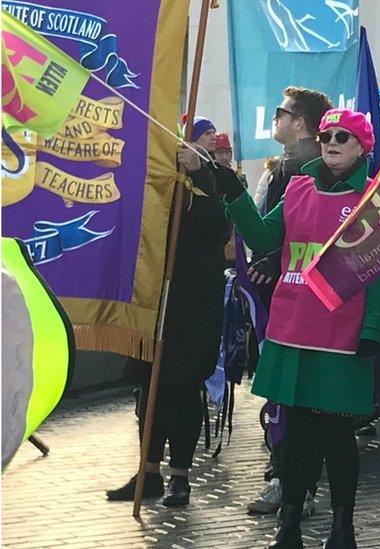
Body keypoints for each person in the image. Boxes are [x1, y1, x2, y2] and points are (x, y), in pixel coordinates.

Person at [213, 108, 380, 548]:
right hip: (293, 328)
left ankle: (342, 529)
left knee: (336, 436)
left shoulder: (374, 199)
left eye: (343, 137)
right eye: (327, 135)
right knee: (294, 437)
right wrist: (232, 189)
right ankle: (289, 526)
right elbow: (261, 237)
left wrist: (375, 325)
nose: (331, 142)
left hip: (343, 333)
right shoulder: (296, 188)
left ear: (363, 148)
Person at [106, 116, 229, 507]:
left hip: (192, 303)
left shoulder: (216, 176)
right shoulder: (152, 179)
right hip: (151, 299)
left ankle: (181, 476)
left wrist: (201, 176)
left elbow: (218, 226)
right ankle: (149, 471)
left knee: (181, 389)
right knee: (149, 388)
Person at [247, 86, 331, 518]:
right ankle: (281, 475)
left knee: (307, 399)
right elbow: (265, 229)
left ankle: (301, 484)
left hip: (308, 302)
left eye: (281, 113)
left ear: (300, 122)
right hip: (276, 298)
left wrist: (271, 258)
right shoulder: (280, 169)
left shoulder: (315, 171)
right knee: (279, 394)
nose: (275, 120)